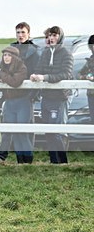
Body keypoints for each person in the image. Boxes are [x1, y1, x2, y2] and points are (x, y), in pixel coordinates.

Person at [30, 25, 74, 164]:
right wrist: (35, 75)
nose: (52, 38)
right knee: (48, 131)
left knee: (57, 132)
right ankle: (53, 161)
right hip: (46, 96)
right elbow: (39, 69)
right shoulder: (45, 53)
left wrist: (45, 77)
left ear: (60, 37)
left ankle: (62, 162)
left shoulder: (66, 54)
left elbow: (65, 74)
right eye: (50, 35)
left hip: (59, 97)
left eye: (55, 35)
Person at [0, 46, 32, 164]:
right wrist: (1, 75)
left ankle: (28, 160)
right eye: (5, 55)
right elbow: (0, 77)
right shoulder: (3, 69)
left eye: (9, 55)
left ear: (15, 57)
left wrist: (2, 76)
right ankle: (20, 160)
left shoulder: (22, 68)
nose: (6, 57)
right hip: (10, 102)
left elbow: (15, 82)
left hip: (22, 102)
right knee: (13, 132)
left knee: (22, 133)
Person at [78, 34, 94, 125]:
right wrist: (87, 77)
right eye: (92, 45)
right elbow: (79, 74)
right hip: (91, 95)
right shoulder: (90, 61)